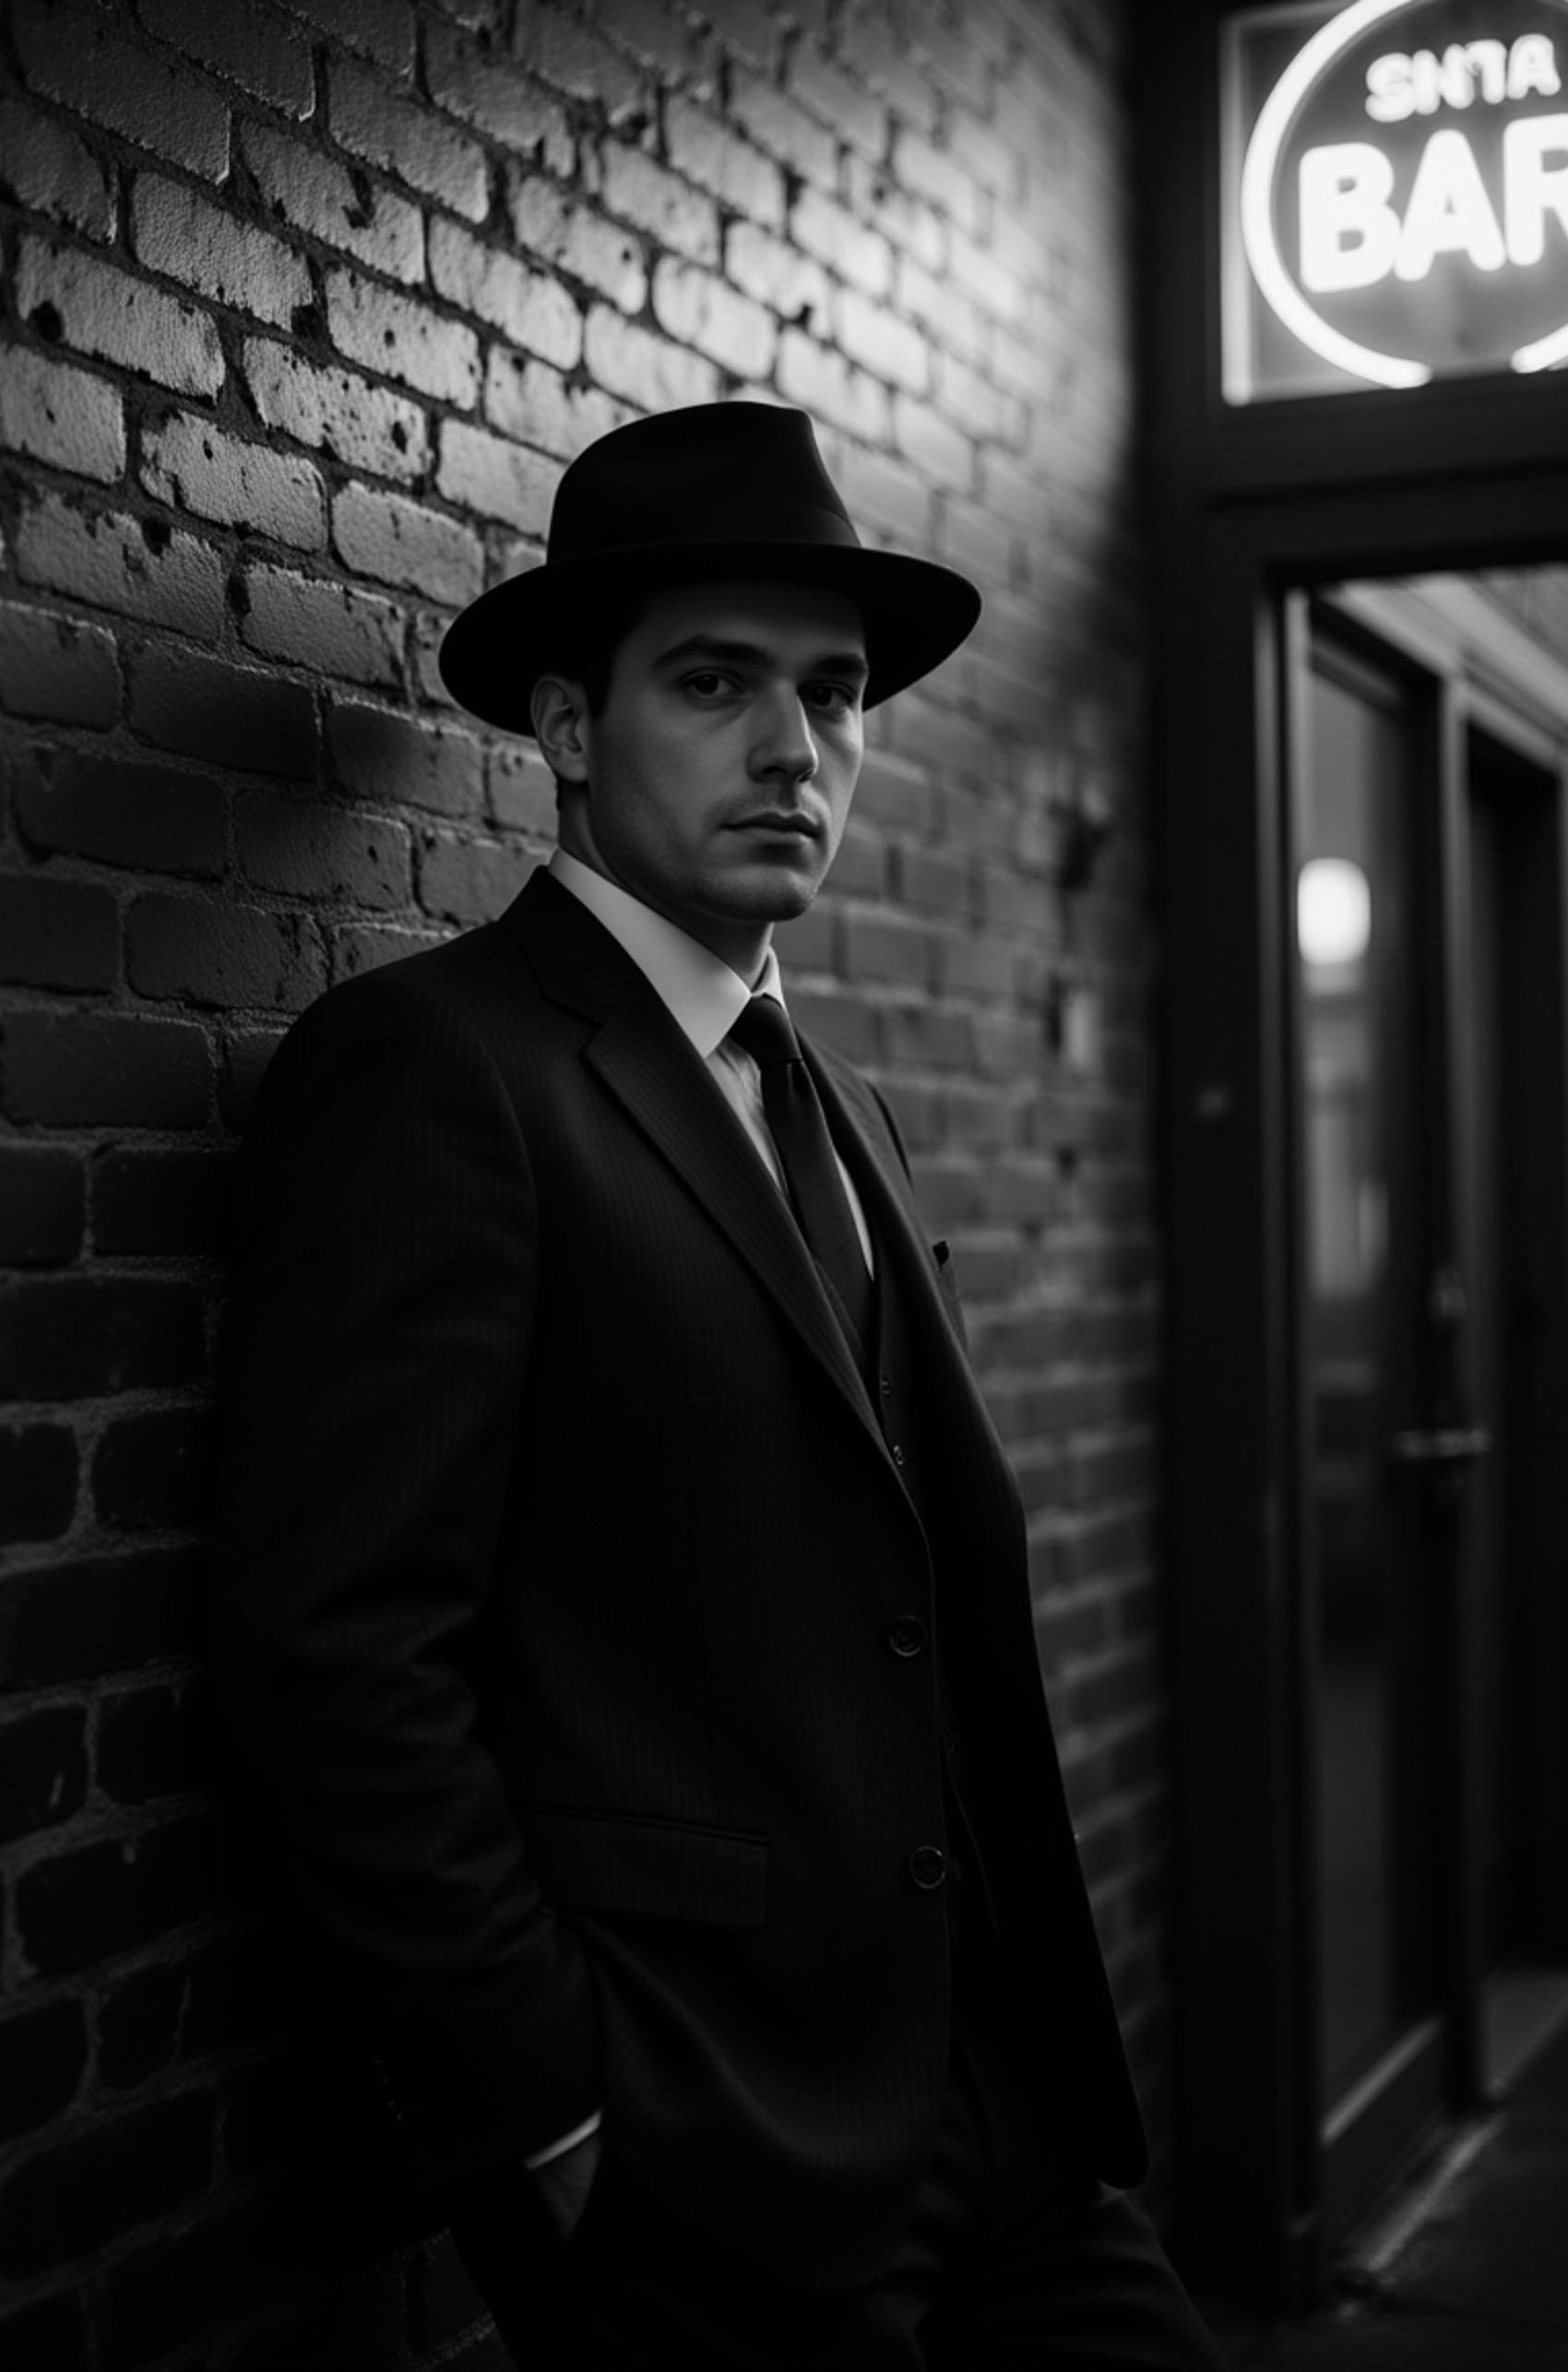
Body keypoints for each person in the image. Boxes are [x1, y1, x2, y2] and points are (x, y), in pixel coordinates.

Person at [208, 402, 1225, 2368]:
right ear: (572, 728)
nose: (795, 748)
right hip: (700, 2138)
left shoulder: (827, 1091)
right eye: (715, 683)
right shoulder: (441, 1069)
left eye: (835, 696)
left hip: (988, 2097)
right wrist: (554, 2114)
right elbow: (330, 1652)